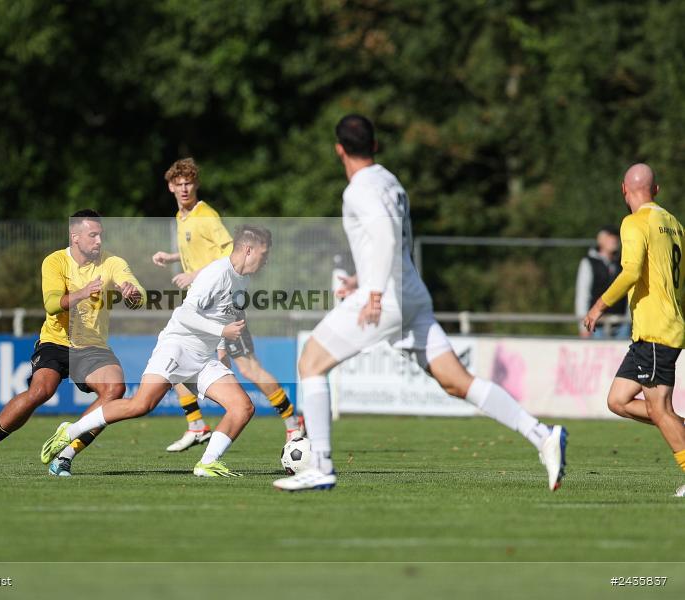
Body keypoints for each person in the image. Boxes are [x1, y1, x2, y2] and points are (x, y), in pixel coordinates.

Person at [274, 114, 568, 492]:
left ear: (339, 150)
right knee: (456, 381)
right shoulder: (390, 181)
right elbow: (390, 240)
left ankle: (322, 467)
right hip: (411, 293)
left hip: (389, 298)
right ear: (376, 146)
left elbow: (383, 237)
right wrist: (362, 278)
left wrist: (374, 291)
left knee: (310, 362)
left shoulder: (358, 189)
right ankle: (541, 435)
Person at [41, 226, 273, 478]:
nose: (266, 260)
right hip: (177, 348)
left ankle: (207, 463)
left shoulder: (243, 279)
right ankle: (70, 431)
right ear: (248, 249)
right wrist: (221, 331)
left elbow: (226, 316)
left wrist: (220, 348)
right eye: (264, 253)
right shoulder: (216, 273)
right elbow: (185, 314)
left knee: (243, 407)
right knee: (140, 405)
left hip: (203, 358)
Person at [0, 209, 145, 477]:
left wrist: (133, 293)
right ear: (75, 236)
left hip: (92, 346)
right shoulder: (54, 262)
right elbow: (52, 305)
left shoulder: (112, 262)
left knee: (115, 389)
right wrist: (81, 293)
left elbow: (136, 290)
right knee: (41, 391)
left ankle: (65, 456)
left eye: (101, 235)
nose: (99, 241)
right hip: (56, 341)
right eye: (93, 235)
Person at [151, 158, 303, 451]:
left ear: (196, 185)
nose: (184, 189)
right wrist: (172, 258)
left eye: (189, 183)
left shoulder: (206, 215)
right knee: (176, 357)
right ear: (170, 186)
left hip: (224, 305)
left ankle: (292, 422)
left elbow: (227, 254)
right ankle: (196, 425)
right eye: (179, 184)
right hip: (202, 305)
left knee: (248, 368)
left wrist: (193, 274)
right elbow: (198, 251)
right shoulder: (181, 217)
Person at [583, 163, 685, 497]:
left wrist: (598, 306)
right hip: (656, 329)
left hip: (656, 329)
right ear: (656, 190)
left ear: (624, 190)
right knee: (619, 400)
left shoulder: (635, 222)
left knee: (659, 409)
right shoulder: (674, 224)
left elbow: (630, 271)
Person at [575, 227, 629, 338]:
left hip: (621, 324)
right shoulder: (589, 262)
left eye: (615, 237)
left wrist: (629, 321)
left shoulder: (623, 262)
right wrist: (583, 326)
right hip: (596, 326)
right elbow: (582, 295)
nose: (614, 240)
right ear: (600, 240)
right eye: (609, 237)